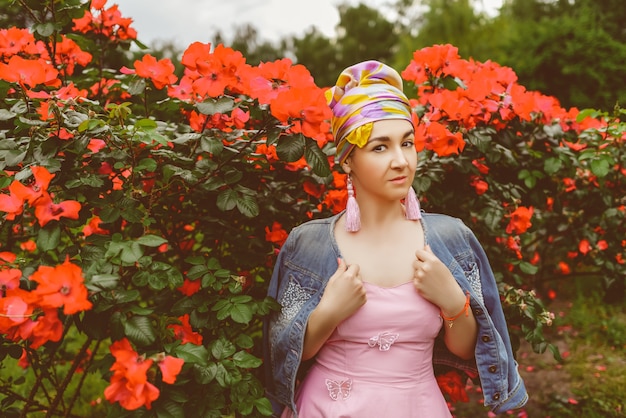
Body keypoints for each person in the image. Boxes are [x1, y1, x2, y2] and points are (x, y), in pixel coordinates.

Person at [263, 60, 528, 417]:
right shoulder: (307, 244)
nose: (401, 161)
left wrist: (454, 303)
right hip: (327, 408)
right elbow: (283, 350)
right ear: (347, 160)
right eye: (379, 147)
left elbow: (466, 348)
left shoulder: (450, 237)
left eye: (407, 143)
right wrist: (328, 312)